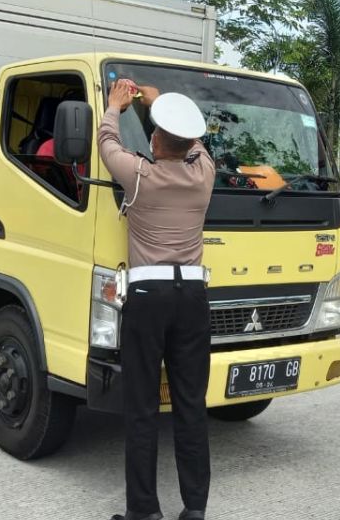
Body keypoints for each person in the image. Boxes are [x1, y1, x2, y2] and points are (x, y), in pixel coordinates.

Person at [99, 78, 215, 520]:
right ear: (188, 141)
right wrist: (160, 100)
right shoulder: (203, 174)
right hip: (192, 297)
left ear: (153, 140)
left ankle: (144, 512)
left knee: (143, 408)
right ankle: (195, 510)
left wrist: (116, 105)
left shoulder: (138, 174)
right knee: (191, 405)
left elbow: (107, 140)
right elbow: (196, 142)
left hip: (147, 297)